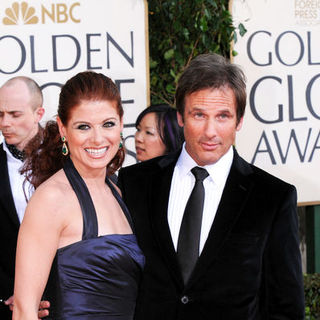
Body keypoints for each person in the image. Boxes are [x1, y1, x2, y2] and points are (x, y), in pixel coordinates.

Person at [117, 53, 305, 319]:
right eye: (199, 115)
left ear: (239, 121)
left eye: (223, 116)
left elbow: (286, 308)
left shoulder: (272, 197)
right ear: (180, 117)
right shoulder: (135, 183)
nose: (210, 131)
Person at [13, 71, 145, 320]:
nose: (97, 138)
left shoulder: (121, 191)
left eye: (108, 124)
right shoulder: (51, 199)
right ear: (63, 129)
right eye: (83, 126)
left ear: (120, 122)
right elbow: (24, 310)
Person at [0, 76, 44, 320]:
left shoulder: (67, 160)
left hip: (67, 302)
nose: (5, 123)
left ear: (39, 113)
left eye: (15, 114)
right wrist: (13, 294)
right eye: (0, 114)